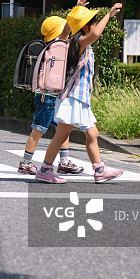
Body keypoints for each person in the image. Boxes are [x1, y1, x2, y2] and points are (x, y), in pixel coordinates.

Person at [35, 2, 124, 184]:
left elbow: (67, 32)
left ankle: (99, 170)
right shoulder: (78, 44)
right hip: (72, 98)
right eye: (93, 22)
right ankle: (44, 170)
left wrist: (76, 11)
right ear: (85, 27)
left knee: (92, 134)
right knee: (61, 136)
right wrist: (108, 15)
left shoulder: (79, 44)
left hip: (80, 99)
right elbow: (94, 34)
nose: (95, 25)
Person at [17, 14, 84, 176]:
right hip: (47, 97)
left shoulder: (50, 48)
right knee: (38, 130)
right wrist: (74, 14)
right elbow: (65, 32)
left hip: (54, 96)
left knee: (63, 129)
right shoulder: (55, 47)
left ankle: (64, 162)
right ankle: (25, 163)